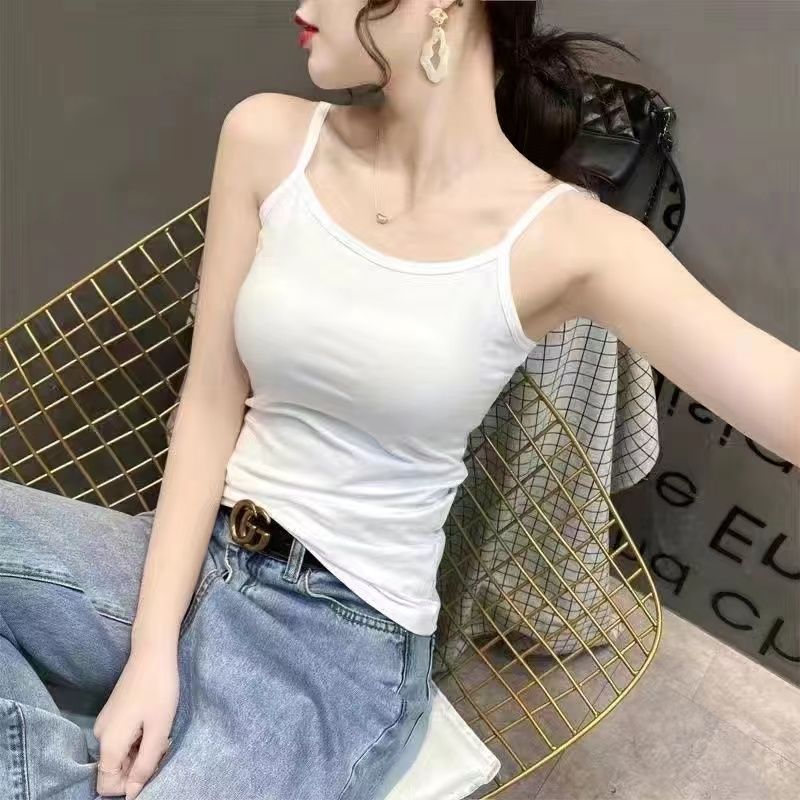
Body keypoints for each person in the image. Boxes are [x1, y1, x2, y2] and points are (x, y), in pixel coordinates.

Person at [2, 1, 799, 799]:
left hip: (334, 644)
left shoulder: (570, 240)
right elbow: (211, 403)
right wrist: (152, 652)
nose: (301, 6)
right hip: (189, 556)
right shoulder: (266, 138)